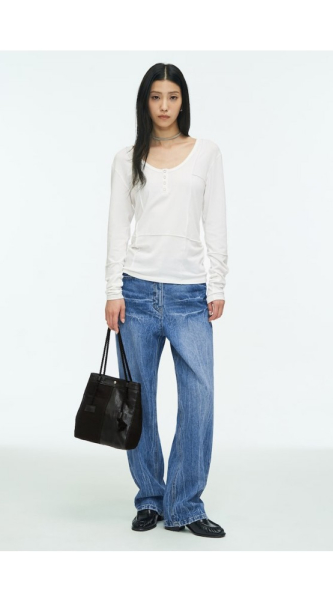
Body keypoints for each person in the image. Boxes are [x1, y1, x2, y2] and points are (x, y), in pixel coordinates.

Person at [104, 63, 229, 539]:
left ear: (183, 101)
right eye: (156, 96)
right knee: (139, 402)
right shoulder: (127, 158)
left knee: (199, 400)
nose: (163, 106)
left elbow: (215, 220)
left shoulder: (206, 153)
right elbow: (118, 226)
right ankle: (151, 498)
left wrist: (217, 284)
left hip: (189, 294)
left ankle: (186, 504)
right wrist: (112, 290)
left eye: (172, 96)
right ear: (145, 102)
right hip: (136, 292)